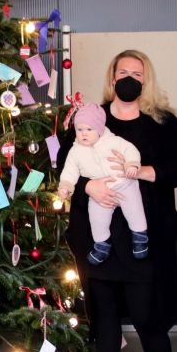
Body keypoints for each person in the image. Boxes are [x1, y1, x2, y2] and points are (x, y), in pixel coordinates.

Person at [58, 49, 177, 352]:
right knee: (104, 315)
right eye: (123, 72)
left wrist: (141, 172)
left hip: (144, 240)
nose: (129, 78)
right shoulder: (89, 120)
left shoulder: (163, 124)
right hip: (98, 239)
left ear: (146, 80)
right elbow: (62, 163)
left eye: (138, 72)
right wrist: (89, 187)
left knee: (149, 316)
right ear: (111, 77)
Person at [58, 103, 148, 265]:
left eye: (89, 129)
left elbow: (131, 150)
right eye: (80, 130)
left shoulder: (114, 141)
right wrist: (66, 186)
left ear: (99, 129)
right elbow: (69, 171)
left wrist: (132, 164)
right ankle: (101, 244)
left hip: (123, 184)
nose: (84, 134)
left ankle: (140, 235)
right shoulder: (75, 151)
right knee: (97, 218)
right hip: (99, 193)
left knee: (134, 209)